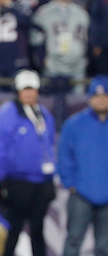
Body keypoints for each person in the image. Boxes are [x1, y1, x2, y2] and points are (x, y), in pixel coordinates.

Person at [0, 69, 56, 256]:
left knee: (37, 231)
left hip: (41, 182)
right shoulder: (8, 113)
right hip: (17, 182)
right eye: (25, 89)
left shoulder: (43, 113)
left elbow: (49, 144)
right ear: (17, 91)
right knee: (13, 231)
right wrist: (2, 180)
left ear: (38, 90)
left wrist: (51, 177)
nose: (28, 93)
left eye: (32, 89)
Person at [57, 75, 108, 256]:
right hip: (80, 194)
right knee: (73, 242)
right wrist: (70, 184)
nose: (101, 100)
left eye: (105, 96)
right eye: (97, 96)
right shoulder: (74, 124)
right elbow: (63, 156)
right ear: (89, 98)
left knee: (105, 247)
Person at [31, 0, 89, 94]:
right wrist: (42, 59)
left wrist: (86, 56)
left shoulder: (81, 13)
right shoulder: (44, 12)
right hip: (53, 63)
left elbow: (88, 37)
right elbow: (35, 39)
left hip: (77, 62)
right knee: (52, 99)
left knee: (77, 99)